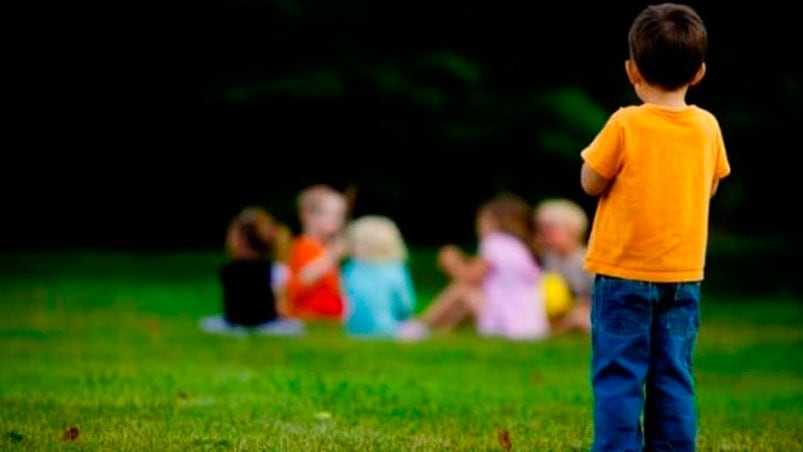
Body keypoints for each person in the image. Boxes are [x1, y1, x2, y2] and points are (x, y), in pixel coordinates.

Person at [579, 4, 731, 450]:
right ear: (699, 72)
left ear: (632, 70)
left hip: (624, 272)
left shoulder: (626, 122)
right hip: (683, 277)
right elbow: (710, 187)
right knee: (673, 374)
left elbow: (590, 181)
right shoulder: (707, 126)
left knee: (619, 374)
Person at [400, 192, 549, 341]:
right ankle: (436, 333)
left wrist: (452, 262)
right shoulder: (521, 248)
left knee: (462, 291)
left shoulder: (496, 242)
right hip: (531, 324)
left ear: (493, 222)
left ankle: (421, 326)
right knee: (469, 298)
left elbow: (469, 278)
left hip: (508, 323)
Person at [200, 206, 305, 336]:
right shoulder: (276, 270)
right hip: (268, 324)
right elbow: (281, 307)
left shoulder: (227, 271)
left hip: (234, 324)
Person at [341, 215, 417, 339]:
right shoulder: (395, 269)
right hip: (388, 330)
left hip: (353, 331)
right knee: (417, 328)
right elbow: (406, 306)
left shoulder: (350, 269)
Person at [285, 184, 348, 321]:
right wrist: (332, 256)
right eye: (331, 214)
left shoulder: (325, 249)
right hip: (309, 316)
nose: (338, 220)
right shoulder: (303, 247)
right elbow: (302, 279)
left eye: (341, 214)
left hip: (331, 319)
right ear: (308, 215)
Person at [533, 198, 594, 334]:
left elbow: (592, 295)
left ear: (572, 231)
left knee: (583, 319)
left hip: (580, 309)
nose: (543, 236)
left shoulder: (585, 260)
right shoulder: (546, 257)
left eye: (549, 231)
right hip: (553, 309)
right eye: (541, 231)